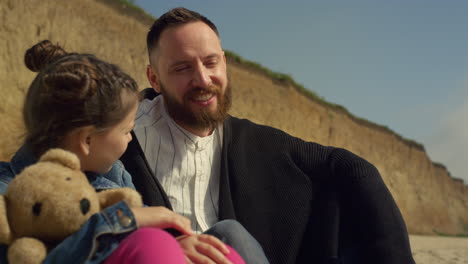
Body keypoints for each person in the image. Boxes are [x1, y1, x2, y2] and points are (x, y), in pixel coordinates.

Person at [120, 7, 416, 264]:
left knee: (231, 233)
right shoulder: (121, 142)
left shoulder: (254, 141)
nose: (203, 79)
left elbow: (348, 168)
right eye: (183, 68)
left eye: (211, 63)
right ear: (154, 78)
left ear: (224, 62)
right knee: (229, 232)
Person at [0, 40, 267, 264]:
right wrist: (125, 220)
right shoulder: (10, 191)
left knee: (227, 235)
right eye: (127, 130)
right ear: (88, 139)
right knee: (149, 240)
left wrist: (178, 243)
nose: (131, 138)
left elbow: (149, 224)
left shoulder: (114, 173)